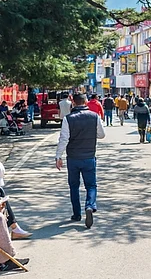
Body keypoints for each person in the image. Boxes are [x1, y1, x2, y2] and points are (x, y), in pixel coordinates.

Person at [55, 94, 106, 229]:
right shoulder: (94, 116)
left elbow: (63, 139)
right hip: (89, 157)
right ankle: (90, 206)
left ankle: (76, 214)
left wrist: (58, 156)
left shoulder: (68, 119)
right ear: (86, 102)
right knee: (91, 185)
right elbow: (102, 135)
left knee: (74, 186)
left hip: (73, 158)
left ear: (73, 102)